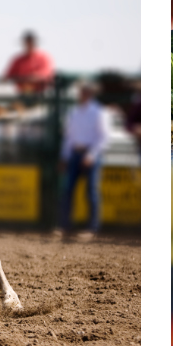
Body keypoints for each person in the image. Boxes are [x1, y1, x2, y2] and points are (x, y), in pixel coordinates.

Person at [58, 85, 110, 242]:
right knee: (68, 189)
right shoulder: (75, 112)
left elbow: (104, 137)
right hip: (75, 153)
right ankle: (65, 226)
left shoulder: (98, 112)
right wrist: (64, 157)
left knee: (91, 191)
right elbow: (69, 137)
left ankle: (92, 228)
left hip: (90, 154)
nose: (80, 94)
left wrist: (91, 154)